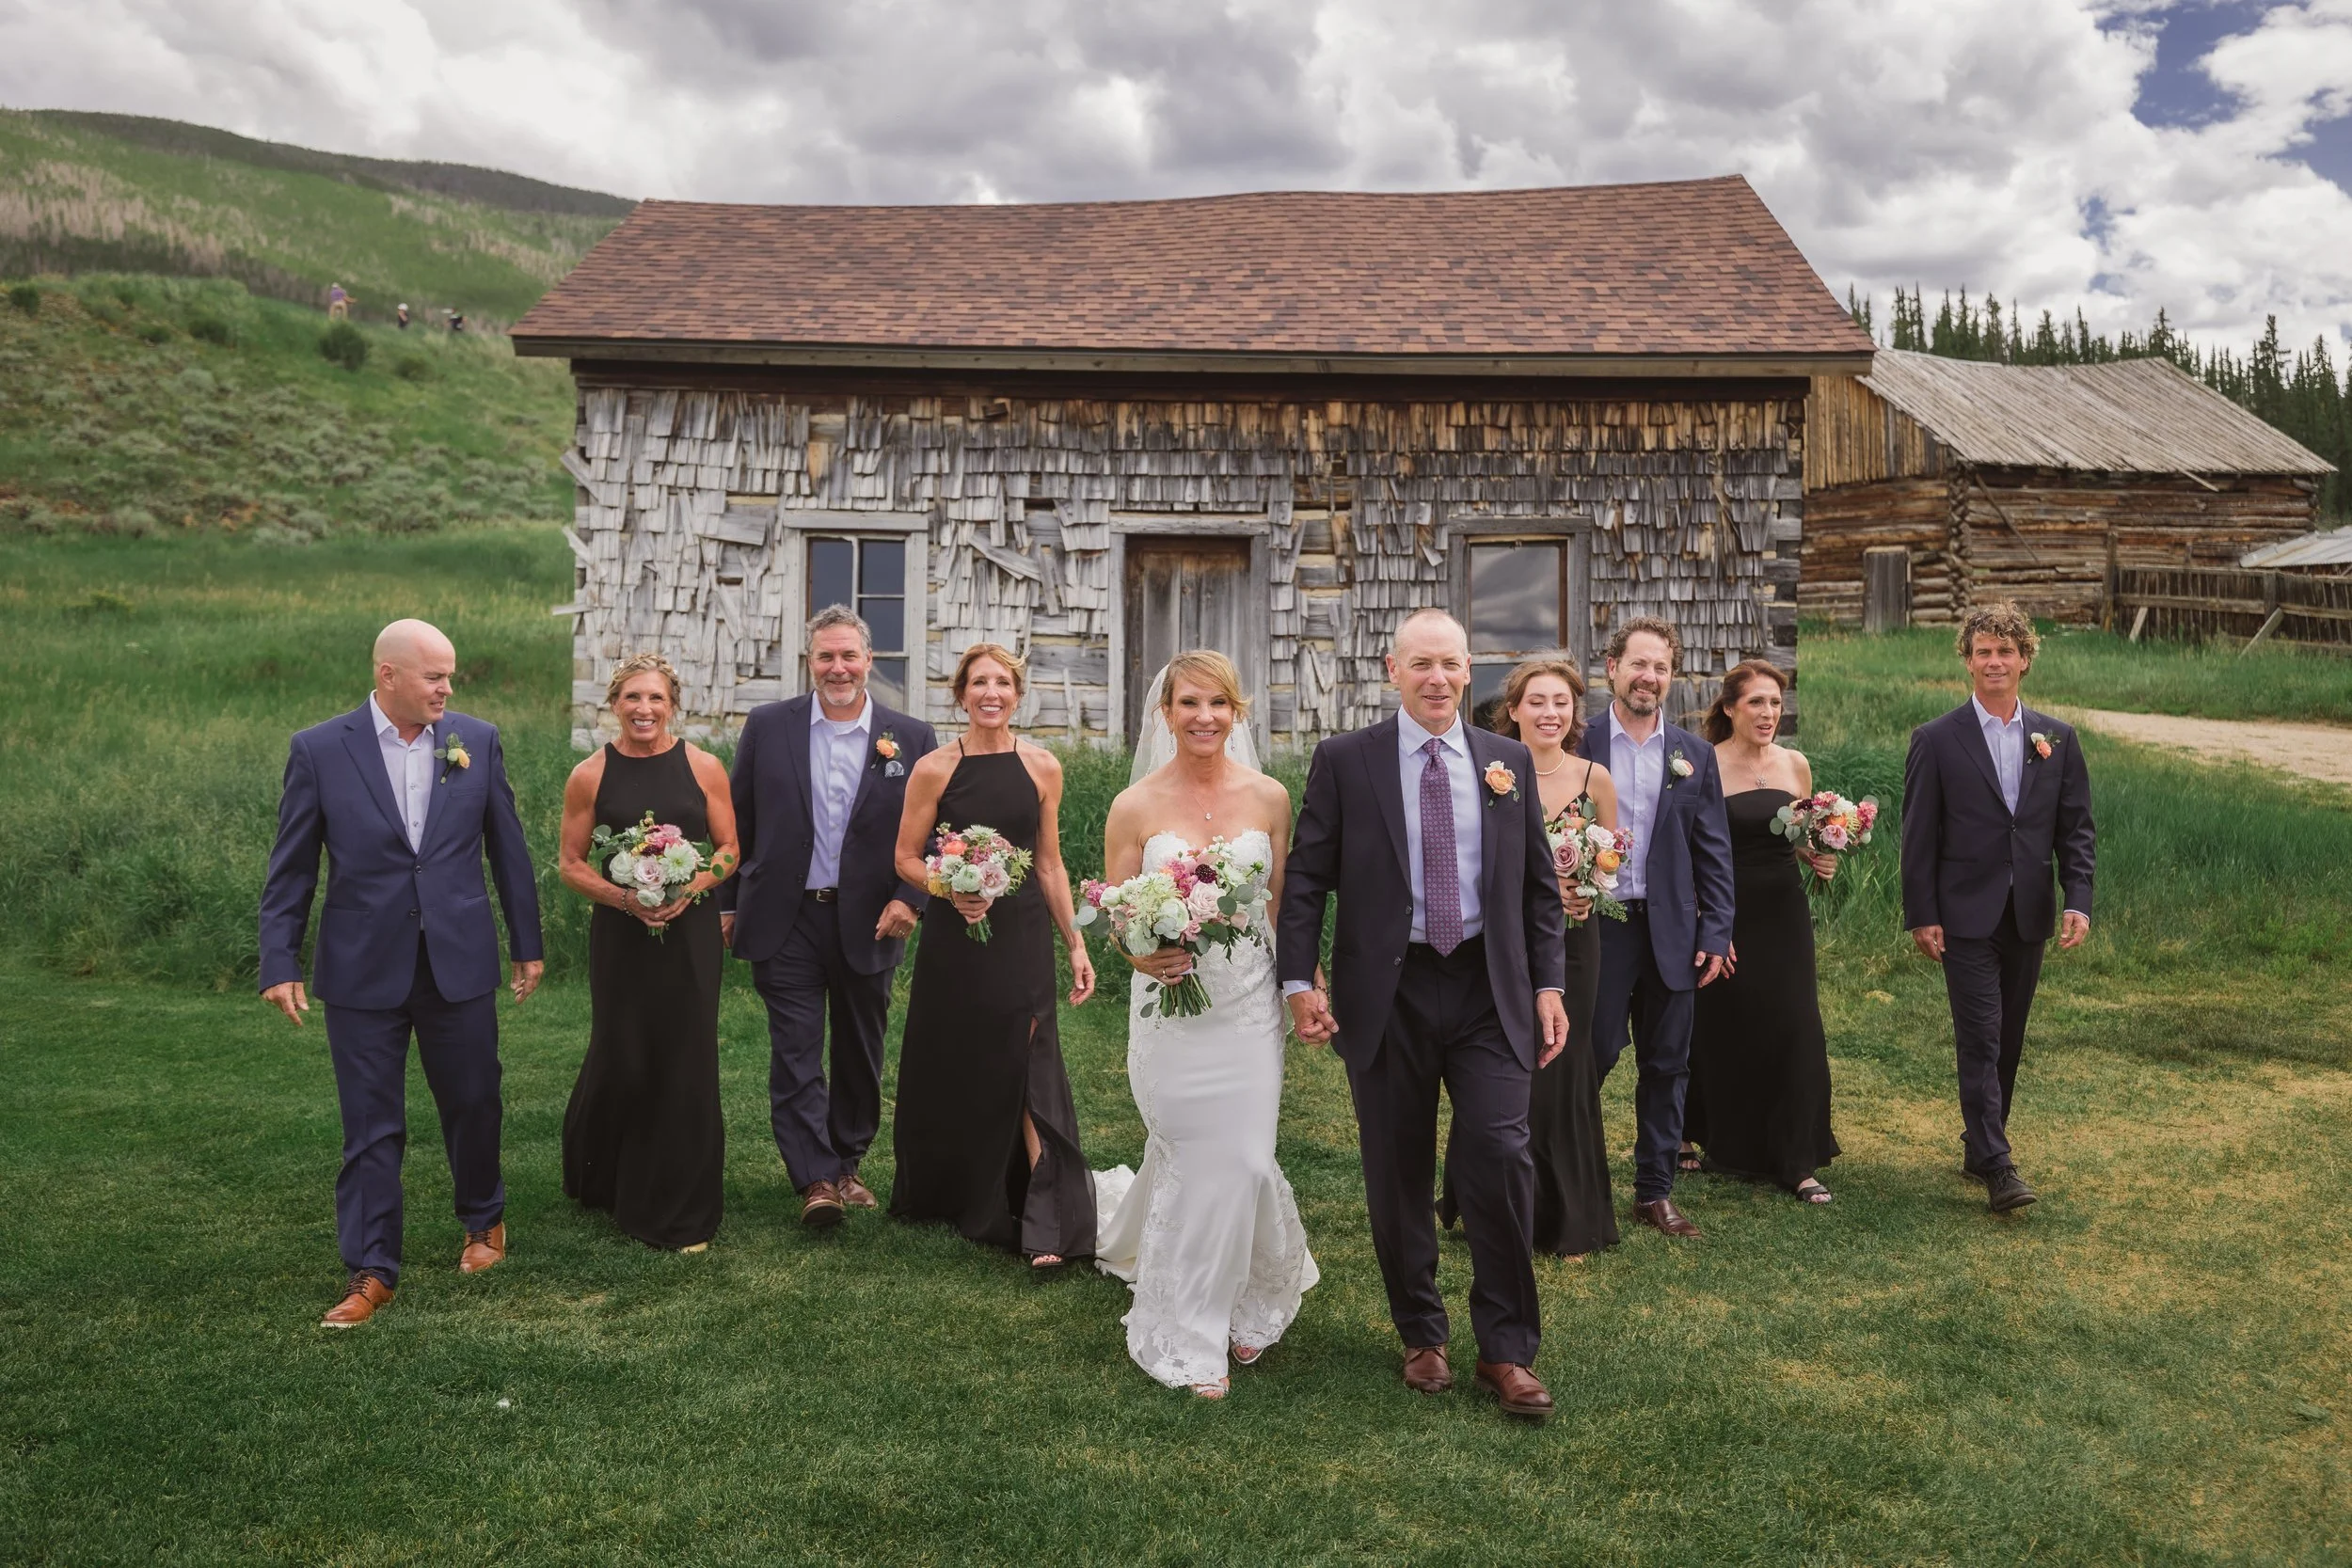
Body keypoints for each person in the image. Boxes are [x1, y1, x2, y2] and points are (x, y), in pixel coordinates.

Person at [1280, 609, 1570, 1422]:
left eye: (1450, 663)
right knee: (1396, 1164)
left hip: (1488, 988)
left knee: (1501, 1154)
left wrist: (1549, 984)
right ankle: (1422, 1332)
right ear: (1393, 670)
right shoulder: (1347, 760)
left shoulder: (1508, 760)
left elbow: (1538, 887)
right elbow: (1307, 878)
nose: (1437, 678)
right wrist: (1298, 978)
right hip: (1389, 992)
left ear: (1469, 669)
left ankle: (1506, 1348)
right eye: (1421, 664)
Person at [257, 619, 544, 1328]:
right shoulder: (320, 749)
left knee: (474, 1099)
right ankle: (372, 1268)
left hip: (458, 957)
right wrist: (279, 959)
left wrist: (526, 941)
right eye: (434, 676)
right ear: (387, 675)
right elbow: (292, 865)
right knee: (370, 1123)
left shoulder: (476, 740)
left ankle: (483, 1219)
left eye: (450, 676)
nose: (447, 688)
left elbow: (507, 849)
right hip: (360, 966)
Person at [1090, 653, 1319, 1398]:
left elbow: (1282, 906)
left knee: (1246, 1159)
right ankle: (1189, 1330)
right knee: (1194, 1155)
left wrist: (1304, 987)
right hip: (1171, 1012)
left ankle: (1256, 1293)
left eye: (1218, 703)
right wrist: (1142, 953)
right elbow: (1118, 916)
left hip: (1247, 1007)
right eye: (1189, 702)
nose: (1204, 716)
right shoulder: (1134, 805)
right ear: (1166, 712)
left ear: (1237, 711)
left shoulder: (1270, 797)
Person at [723, 608, 937, 1227]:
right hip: (785, 916)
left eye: (848, 656)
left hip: (872, 918)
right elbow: (737, 819)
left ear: (869, 660)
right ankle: (815, 1177)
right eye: (825, 656)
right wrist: (728, 903)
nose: (837, 668)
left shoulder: (911, 736)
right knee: (795, 1049)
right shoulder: (769, 726)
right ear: (809, 661)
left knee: (860, 1049)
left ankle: (848, 1163)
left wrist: (911, 897)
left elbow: (932, 830)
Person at [889, 643, 1098, 1265]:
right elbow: (905, 857)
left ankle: (1045, 1217)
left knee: (1028, 1055)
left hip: (1022, 935)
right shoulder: (934, 769)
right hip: (954, 942)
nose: (991, 693)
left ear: (1017, 694)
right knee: (961, 1055)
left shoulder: (1042, 767)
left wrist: (1076, 942)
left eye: (1002, 683)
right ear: (961, 695)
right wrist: (948, 887)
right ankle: (955, 1189)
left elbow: (1050, 864)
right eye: (979, 682)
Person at [1902, 602, 2095, 1214]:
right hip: (1963, 914)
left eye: (2005, 651)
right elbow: (1918, 835)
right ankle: (1998, 1164)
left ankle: (1979, 1142)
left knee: (2009, 1037)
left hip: (2029, 911)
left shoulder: (2056, 739)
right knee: (1981, 1036)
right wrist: (1921, 912)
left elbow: (2076, 830)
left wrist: (2079, 899)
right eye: (1982, 651)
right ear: (1967, 660)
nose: (1994, 661)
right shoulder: (1936, 738)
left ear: (2024, 660)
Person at [555, 654, 738, 1250]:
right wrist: (624, 898)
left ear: (672, 705)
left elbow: (730, 850)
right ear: (614, 704)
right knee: (624, 1051)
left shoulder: (704, 767)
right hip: (621, 937)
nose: (644, 709)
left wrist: (691, 888)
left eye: (656, 698)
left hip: (690, 934)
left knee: (686, 1054)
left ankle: (680, 1201)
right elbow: (571, 863)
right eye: (632, 697)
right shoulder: (589, 775)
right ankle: (602, 1172)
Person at [1440, 657, 1620, 1258]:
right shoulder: (1488, 772)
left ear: (1574, 713)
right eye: (1537, 701)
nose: (1550, 713)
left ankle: (1568, 1215)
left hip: (1573, 944)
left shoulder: (1595, 778)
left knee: (1564, 1068)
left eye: (1561, 702)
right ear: (1512, 709)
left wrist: (1587, 888)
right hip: (1497, 943)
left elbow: (1613, 859)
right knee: (1499, 1068)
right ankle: (1486, 1202)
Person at [1575, 616, 1734, 1239]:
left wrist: (1716, 931)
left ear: (1672, 677)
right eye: (1638, 664)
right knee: (1591, 1053)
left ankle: (1655, 1190)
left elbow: (1713, 851)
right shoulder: (1579, 741)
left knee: (1668, 1063)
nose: (1649, 676)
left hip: (1673, 931)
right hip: (1600, 925)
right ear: (1612, 668)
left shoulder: (1694, 754)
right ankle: (1569, 1178)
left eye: (1660, 667)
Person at [1682, 659, 1840, 1203]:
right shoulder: (1704, 764)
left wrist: (1817, 853)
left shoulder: (1796, 765)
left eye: (1775, 702)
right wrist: (1707, 923)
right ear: (1730, 708)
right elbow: (1691, 848)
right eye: (1756, 702)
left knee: (1796, 1025)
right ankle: (1698, 1134)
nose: (1769, 712)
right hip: (1725, 910)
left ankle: (1796, 1158)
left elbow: (1795, 838)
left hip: (1783, 912)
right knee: (1719, 1024)